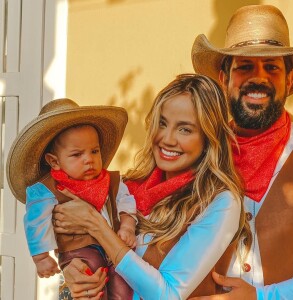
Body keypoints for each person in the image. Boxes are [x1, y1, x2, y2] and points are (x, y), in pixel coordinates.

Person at [52, 74, 251, 299]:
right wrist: (74, 273)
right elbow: (82, 246)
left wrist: (96, 225)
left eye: (184, 129)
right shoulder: (128, 187)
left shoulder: (220, 202)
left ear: (208, 138)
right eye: (162, 123)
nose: (167, 139)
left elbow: (167, 294)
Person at [191, 4, 293, 300]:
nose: (258, 78)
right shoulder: (199, 153)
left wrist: (264, 297)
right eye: (245, 66)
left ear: (288, 80)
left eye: (272, 67)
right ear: (224, 79)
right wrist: (81, 260)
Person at [6, 98, 137, 299]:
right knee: (90, 279)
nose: (89, 159)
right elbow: (36, 221)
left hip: (114, 248)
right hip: (78, 251)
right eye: (77, 154)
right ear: (54, 161)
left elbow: (126, 201)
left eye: (94, 151)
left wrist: (127, 226)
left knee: (124, 284)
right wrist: (41, 257)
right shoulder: (47, 190)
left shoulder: (110, 181)